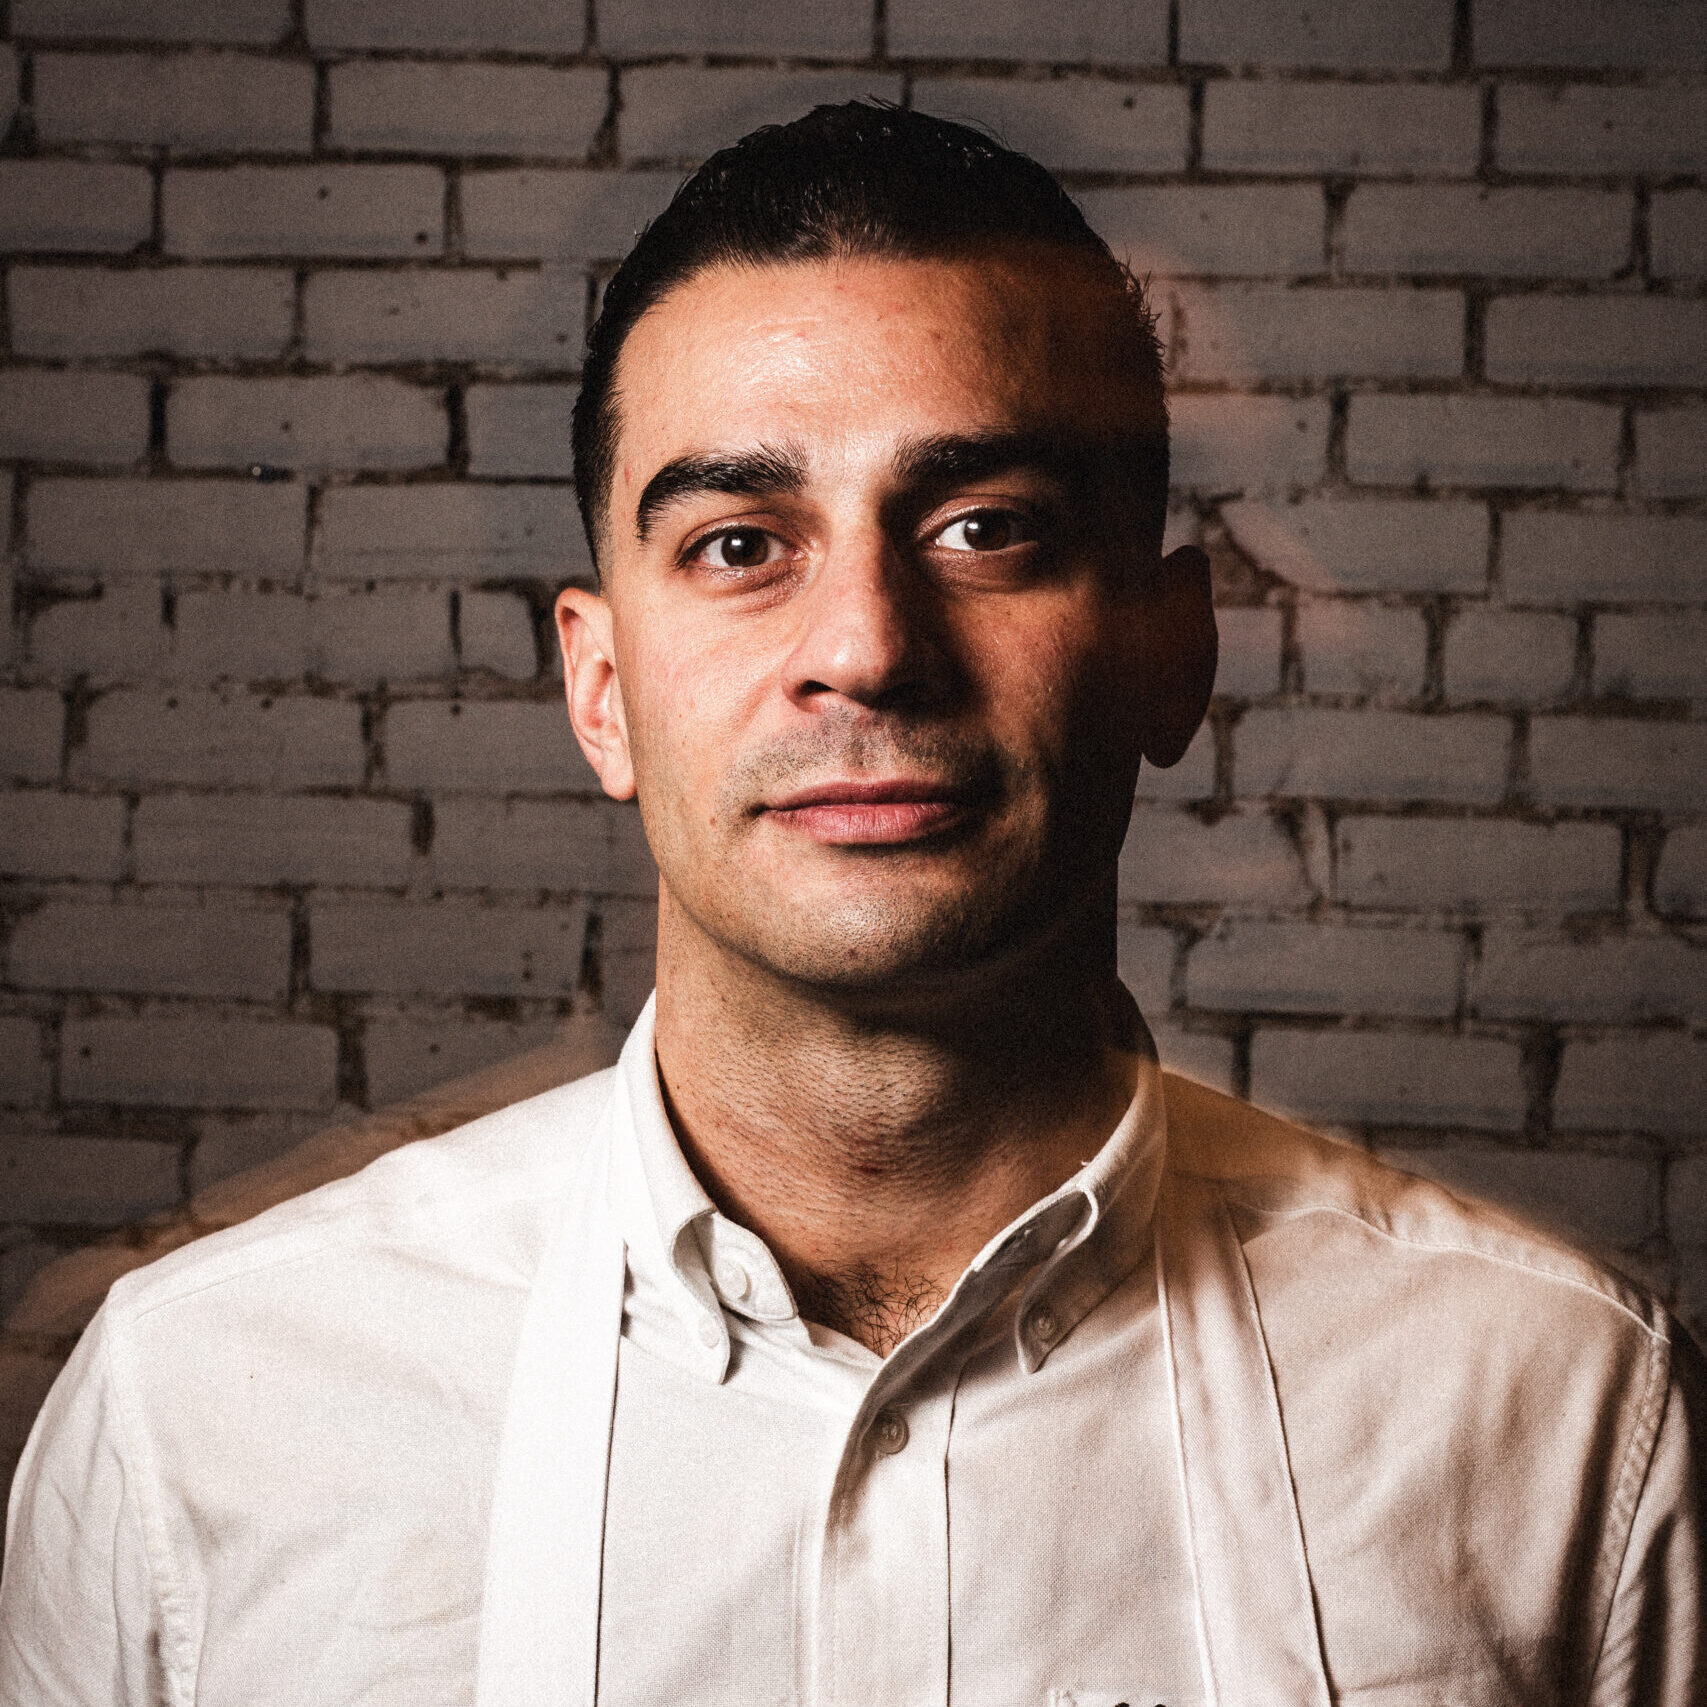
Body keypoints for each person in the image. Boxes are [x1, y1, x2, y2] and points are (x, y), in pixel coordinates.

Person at [2, 102, 1700, 1707]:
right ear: (601, 690)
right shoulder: (200, 1415)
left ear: (1174, 652)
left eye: (983, 528)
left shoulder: (1553, 1412)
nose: (868, 647)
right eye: (741, 543)